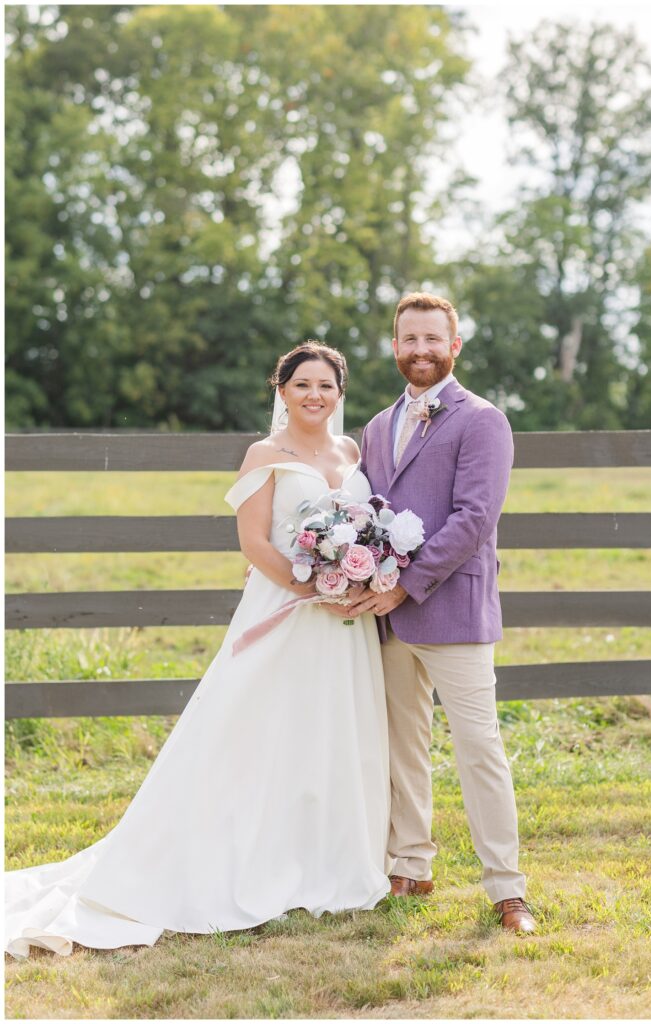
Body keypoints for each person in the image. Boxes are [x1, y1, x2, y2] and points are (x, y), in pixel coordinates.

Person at [5, 342, 391, 959]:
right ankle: (230, 856)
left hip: (343, 624)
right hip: (285, 610)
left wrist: (357, 579)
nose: (314, 396)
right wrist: (311, 585)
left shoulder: (353, 452)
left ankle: (323, 858)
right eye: (302, 385)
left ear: (340, 394)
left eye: (326, 386)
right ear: (281, 390)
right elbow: (254, 541)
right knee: (250, 727)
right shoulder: (265, 455)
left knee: (329, 730)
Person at [341, 292, 536, 934]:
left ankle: (507, 888)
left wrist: (405, 585)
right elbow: (368, 516)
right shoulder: (373, 428)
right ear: (394, 347)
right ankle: (411, 865)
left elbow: (475, 519)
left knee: (480, 748)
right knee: (403, 748)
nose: (420, 350)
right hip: (388, 619)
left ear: (455, 346)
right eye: (409, 340)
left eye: (433, 339)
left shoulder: (483, 421)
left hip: (452, 609)